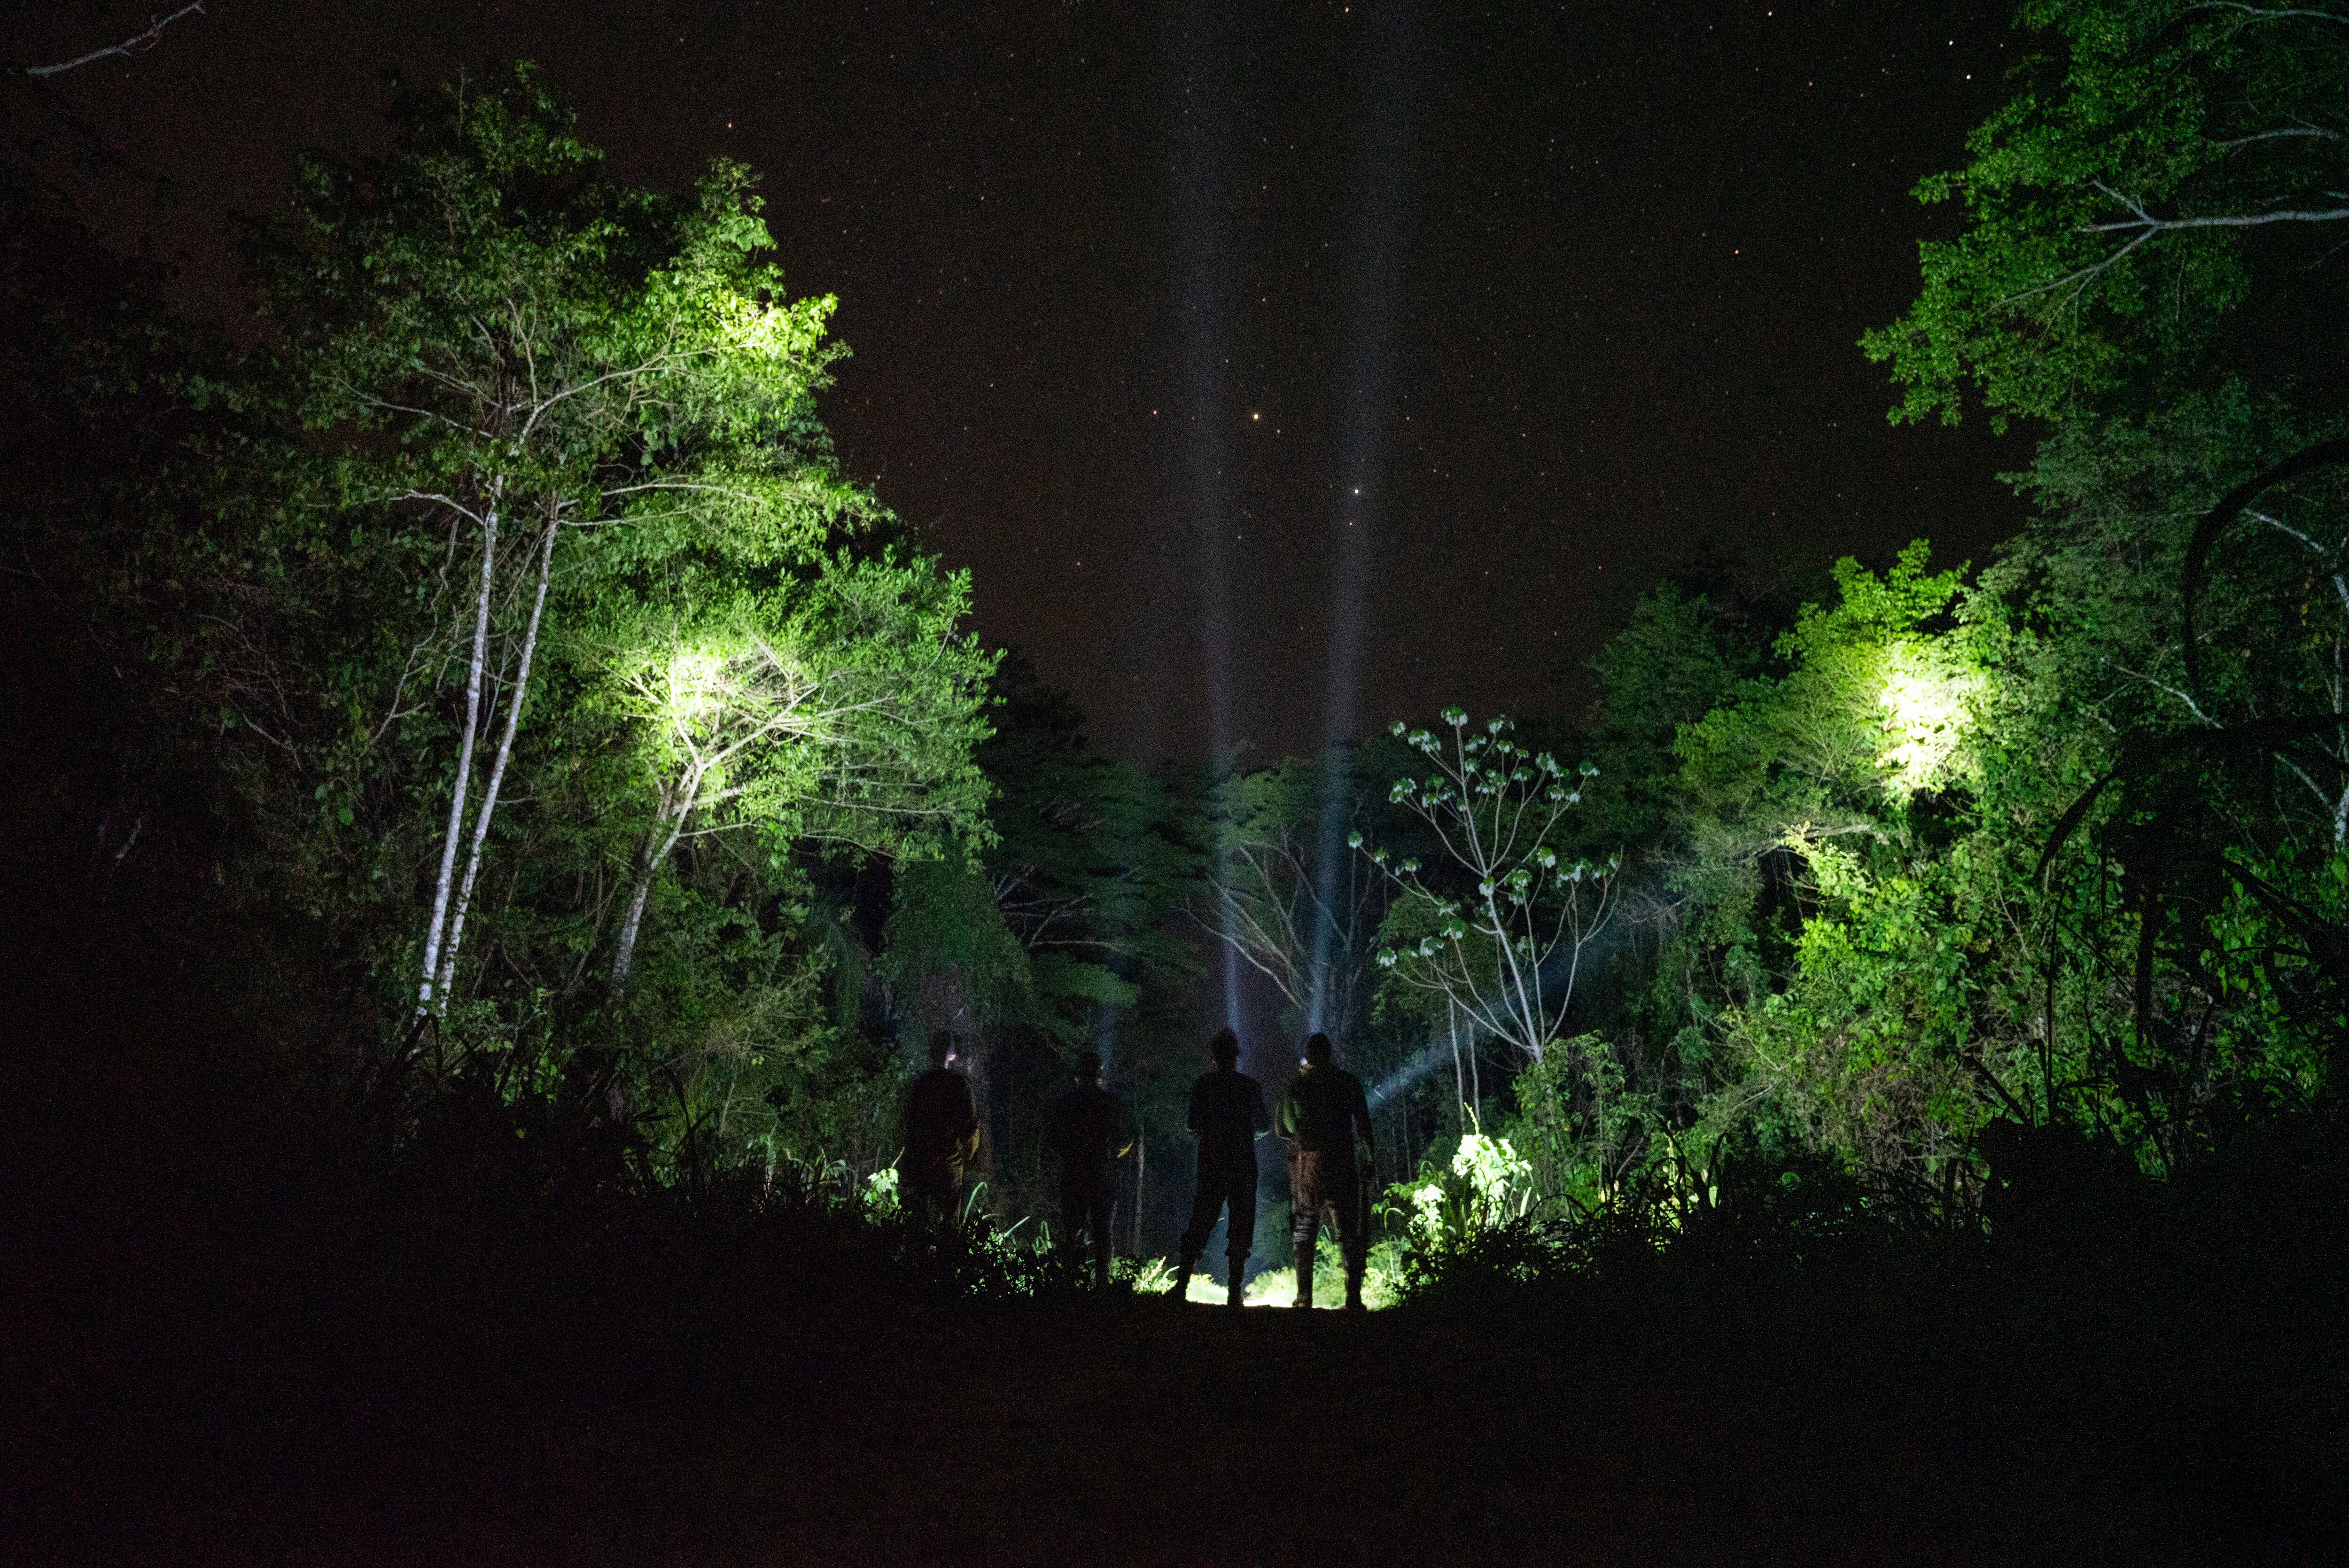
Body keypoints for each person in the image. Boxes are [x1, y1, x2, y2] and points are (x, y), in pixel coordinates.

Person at [1275, 1032, 1376, 1310]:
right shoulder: (1348, 1082)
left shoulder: (1297, 1084)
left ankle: (1304, 1297)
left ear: (1308, 1055)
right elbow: (1364, 1124)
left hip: (1309, 1162)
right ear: (1330, 1054)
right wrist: (1369, 1158)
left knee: (1305, 1227)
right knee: (1347, 1230)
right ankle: (1353, 1298)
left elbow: (1282, 1129)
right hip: (1343, 1160)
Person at [1175, 1027, 1271, 1307]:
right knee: (1241, 1225)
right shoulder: (1249, 1086)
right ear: (1237, 1056)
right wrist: (1245, 1133)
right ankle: (1233, 1292)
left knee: (1201, 1221)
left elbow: (1192, 1124)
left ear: (1214, 1056)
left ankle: (1181, 1287)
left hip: (1211, 1162)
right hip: (1242, 1163)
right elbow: (1264, 1125)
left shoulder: (1203, 1085)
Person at [1047, 1049, 1133, 1287]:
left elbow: (1053, 1139)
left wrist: (1071, 1151)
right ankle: (1102, 1285)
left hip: (1073, 1175)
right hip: (1101, 1177)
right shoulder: (1109, 1104)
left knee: (1072, 1231)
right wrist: (1112, 1153)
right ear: (1099, 1075)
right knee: (1103, 1233)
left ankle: (1069, 1283)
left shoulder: (1067, 1103)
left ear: (1078, 1075)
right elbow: (1125, 1138)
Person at [900, 1031, 980, 1226]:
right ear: (952, 1054)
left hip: (921, 1165)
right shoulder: (960, 1086)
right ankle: (946, 1255)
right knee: (949, 1224)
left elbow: (906, 1127)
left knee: (919, 1224)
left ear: (930, 1052)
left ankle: (918, 1256)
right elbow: (971, 1129)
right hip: (949, 1166)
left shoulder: (919, 1085)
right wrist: (967, 1159)